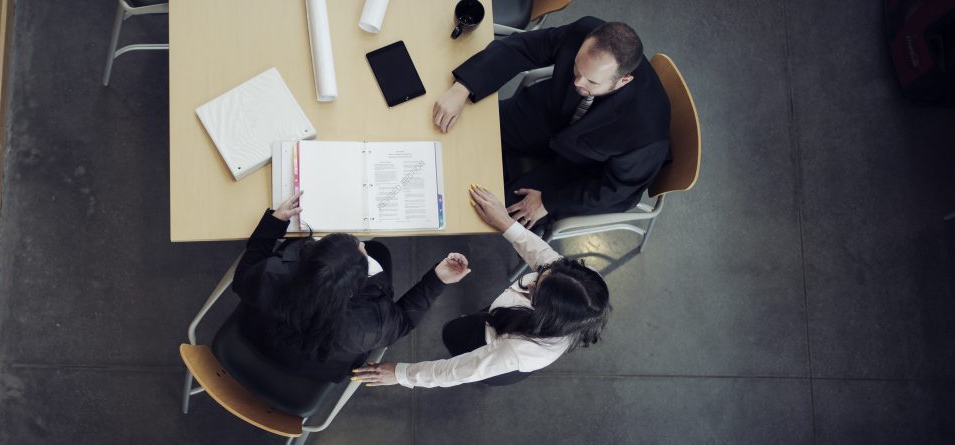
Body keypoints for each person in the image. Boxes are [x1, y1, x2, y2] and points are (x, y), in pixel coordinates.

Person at [352, 185, 611, 388]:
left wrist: (401, 374)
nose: (529, 284)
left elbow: (457, 371)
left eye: (534, 291)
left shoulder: (518, 350)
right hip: (499, 319)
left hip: (485, 346)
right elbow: (543, 257)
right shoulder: (576, 281)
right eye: (543, 274)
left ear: (544, 313)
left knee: (453, 335)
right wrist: (506, 223)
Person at [431, 17, 671, 230]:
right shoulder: (584, 33)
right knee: (469, 125)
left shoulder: (646, 132)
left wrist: (549, 201)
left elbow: (617, 190)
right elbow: (522, 48)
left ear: (623, 81)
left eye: (591, 82)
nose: (577, 83)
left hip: (582, 170)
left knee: (491, 208)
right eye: (576, 68)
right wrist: (463, 88)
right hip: (549, 115)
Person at [234, 191, 472, 382]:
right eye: (362, 251)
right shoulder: (369, 325)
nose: (363, 247)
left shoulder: (270, 275)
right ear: (356, 286)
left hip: (256, 337)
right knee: (381, 251)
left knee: (377, 252)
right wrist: (437, 280)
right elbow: (404, 321)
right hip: (317, 372)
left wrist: (274, 223)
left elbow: (242, 276)